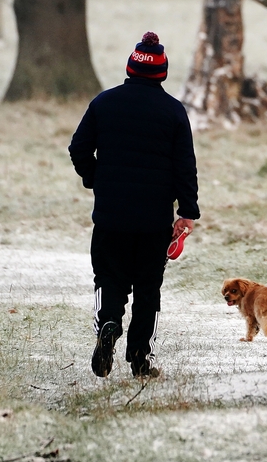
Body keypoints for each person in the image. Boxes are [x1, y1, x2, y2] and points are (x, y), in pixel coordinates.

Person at [68, 31, 199, 378]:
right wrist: (187, 212)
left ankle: (108, 324)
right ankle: (141, 358)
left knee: (109, 279)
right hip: (154, 221)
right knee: (147, 289)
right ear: (162, 73)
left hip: (110, 217)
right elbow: (185, 166)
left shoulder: (104, 103)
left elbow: (78, 149)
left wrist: (96, 178)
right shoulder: (173, 112)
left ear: (130, 68)